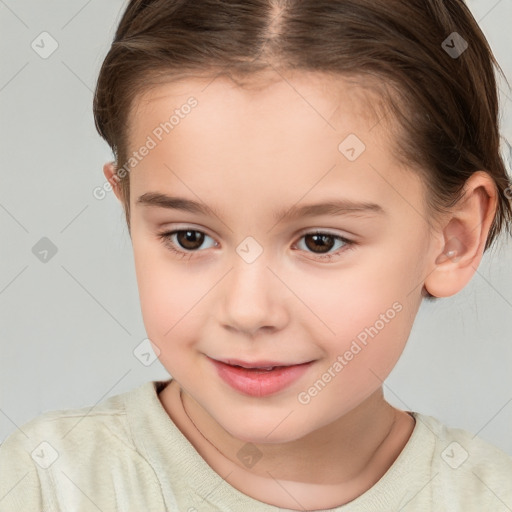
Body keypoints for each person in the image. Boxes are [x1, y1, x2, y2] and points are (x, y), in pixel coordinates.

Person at [1, 0, 512, 510]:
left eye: (320, 242)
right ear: (128, 209)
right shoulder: (44, 487)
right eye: (189, 238)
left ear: (453, 238)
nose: (247, 311)